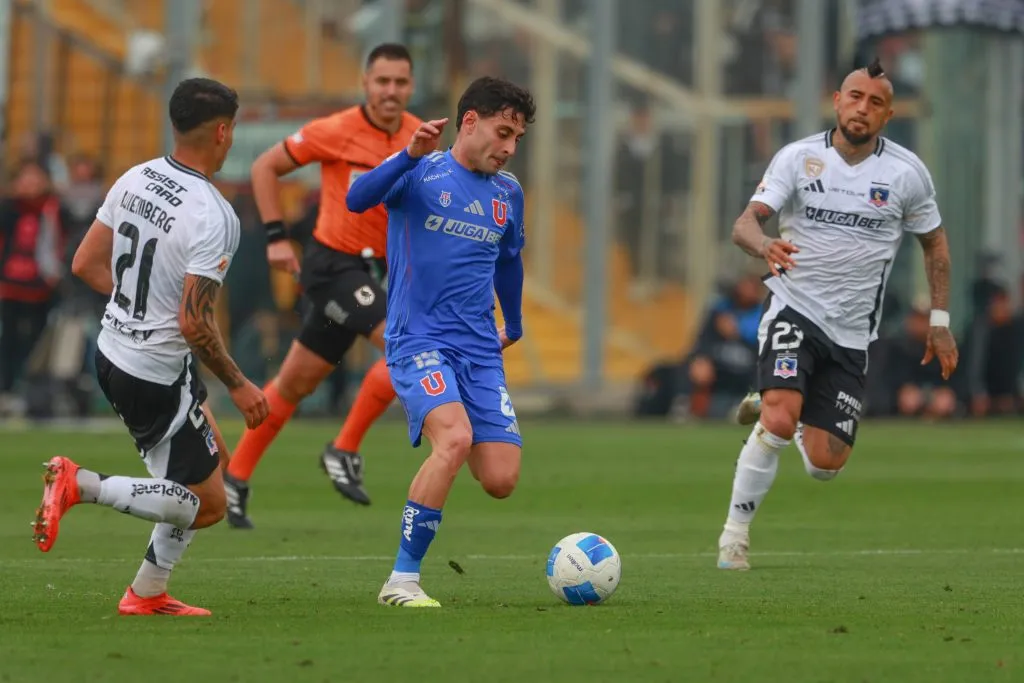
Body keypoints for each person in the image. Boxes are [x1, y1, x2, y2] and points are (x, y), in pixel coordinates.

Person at [31, 78, 270, 615]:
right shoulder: (214, 215)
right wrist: (241, 383)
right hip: (154, 372)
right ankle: (81, 485)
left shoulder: (136, 177)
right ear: (223, 132)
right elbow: (193, 323)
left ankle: (147, 592)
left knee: (210, 467)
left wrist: (142, 311)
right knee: (208, 505)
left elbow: (84, 265)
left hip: (114, 348)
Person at [718, 59, 958, 570]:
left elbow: (935, 246)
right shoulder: (798, 158)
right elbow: (744, 225)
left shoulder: (906, 174)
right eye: (854, 96)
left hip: (852, 334)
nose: (861, 108)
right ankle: (734, 537)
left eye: (874, 102)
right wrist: (764, 245)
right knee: (781, 417)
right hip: (794, 307)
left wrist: (939, 323)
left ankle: (784, 411)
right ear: (837, 100)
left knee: (826, 465)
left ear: (888, 114)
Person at [346, 76, 535, 607]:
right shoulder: (420, 171)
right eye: (503, 133)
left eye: (517, 139)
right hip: (418, 339)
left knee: (500, 479)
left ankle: (452, 454)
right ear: (469, 121)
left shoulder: (508, 194)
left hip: (479, 348)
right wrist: (407, 154)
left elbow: (509, 261)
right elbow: (357, 199)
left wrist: (514, 323)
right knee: (452, 440)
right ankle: (401, 581)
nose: (509, 148)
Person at [223, 43, 422, 526]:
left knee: (295, 381)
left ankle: (233, 477)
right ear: (365, 83)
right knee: (408, 346)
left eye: (400, 82)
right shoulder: (336, 130)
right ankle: (344, 447)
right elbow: (264, 166)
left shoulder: (420, 137)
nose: (390, 91)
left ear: (410, 86)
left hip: (378, 273)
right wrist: (275, 239)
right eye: (382, 81)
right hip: (333, 265)